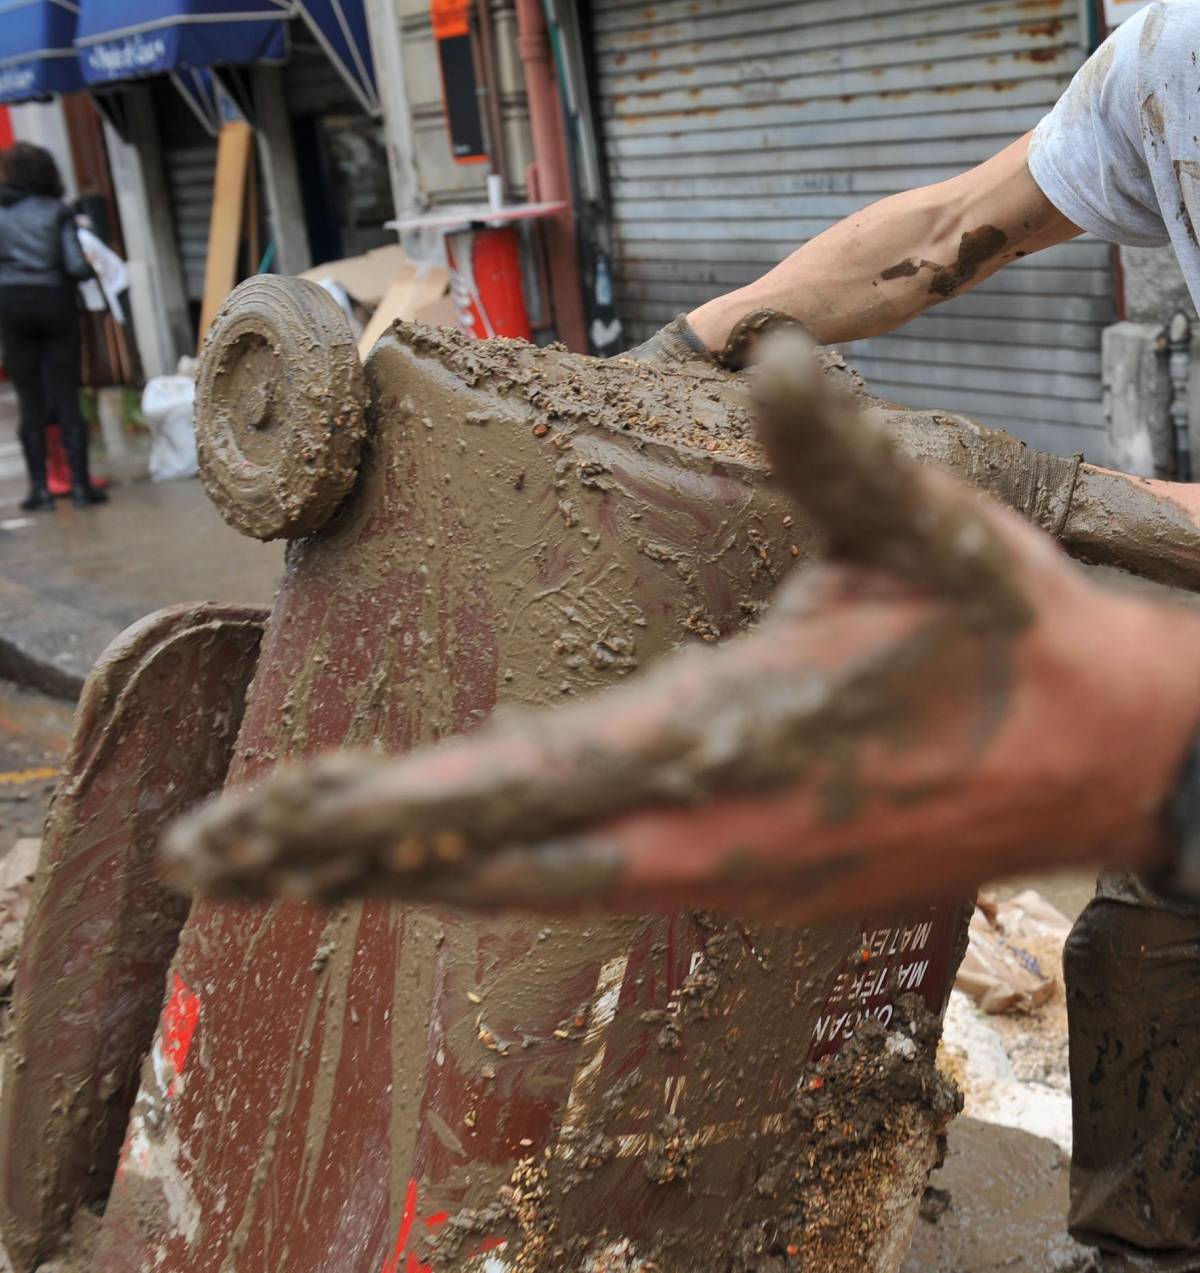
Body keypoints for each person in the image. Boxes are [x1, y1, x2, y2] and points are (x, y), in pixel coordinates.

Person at [168, 8, 1200, 1271]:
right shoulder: (1172, 62)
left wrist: (1041, 492)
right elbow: (939, 238)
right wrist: (696, 347)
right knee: (1156, 919)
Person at [0, 142, 106, 510]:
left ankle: (40, 490)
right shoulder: (57, 212)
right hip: (55, 304)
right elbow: (76, 267)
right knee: (66, 394)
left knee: (30, 399)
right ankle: (79, 486)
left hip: (12, 306)